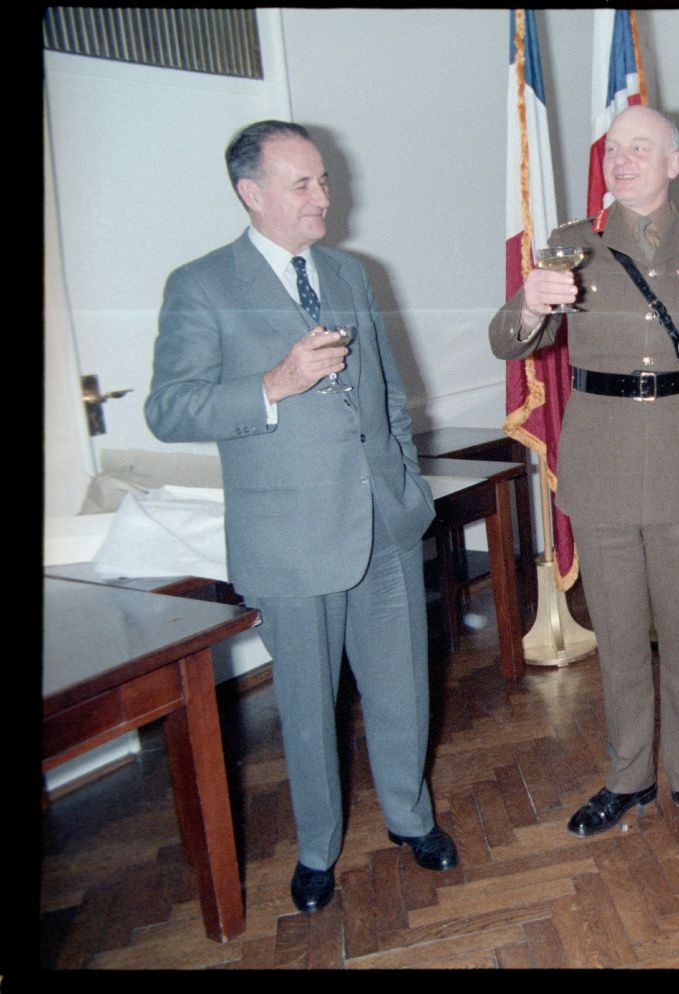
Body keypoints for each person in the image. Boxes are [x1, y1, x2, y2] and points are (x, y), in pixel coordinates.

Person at [146, 120, 456, 915]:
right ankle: (317, 848)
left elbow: (385, 387)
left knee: (401, 689)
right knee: (309, 707)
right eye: (303, 184)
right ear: (251, 194)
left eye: (323, 180)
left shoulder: (350, 272)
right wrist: (270, 386)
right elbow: (169, 409)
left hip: (381, 525)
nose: (324, 196)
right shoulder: (201, 284)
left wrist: (406, 489)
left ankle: (410, 818)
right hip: (289, 538)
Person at [490, 106, 679, 843]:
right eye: (614, 149)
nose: (624, 159)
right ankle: (628, 776)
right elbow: (510, 343)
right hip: (600, 460)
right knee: (621, 638)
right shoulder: (571, 246)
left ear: (674, 163)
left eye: (643, 148)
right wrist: (527, 302)